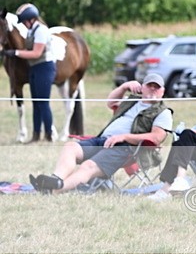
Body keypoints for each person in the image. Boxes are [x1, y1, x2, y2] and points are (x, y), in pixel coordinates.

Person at [28, 73, 173, 193]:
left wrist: (123, 137)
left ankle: (54, 190)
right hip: (102, 140)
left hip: (126, 148)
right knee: (70, 147)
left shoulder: (163, 112)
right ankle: (56, 179)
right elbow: (110, 102)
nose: (153, 89)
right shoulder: (132, 101)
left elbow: (156, 138)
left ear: (162, 91)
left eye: (157, 87)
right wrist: (124, 86)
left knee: (88, 167)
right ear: (142, 88)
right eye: (150, 85)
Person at [3, 3, 56, 142]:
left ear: (30, 19)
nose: (24, 25)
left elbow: (36, 53)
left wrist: (15, 53)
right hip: (35, 68)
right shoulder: (31, 30)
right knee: (36, 103)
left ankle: (49, 134)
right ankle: (36, 134)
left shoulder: (41, 31)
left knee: (43, 103)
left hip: (44, 68)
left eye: (24, 22)